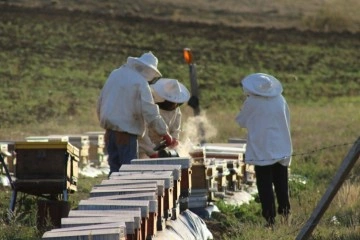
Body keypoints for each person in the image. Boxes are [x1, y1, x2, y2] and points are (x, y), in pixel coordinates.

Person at [97, 52, 173, 176]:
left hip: (110, 131)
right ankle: (123, 195)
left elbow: (100, 101)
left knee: (114, 171)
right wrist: (165, 133)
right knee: (127, 173)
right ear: (149, 70)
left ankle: (115, 194)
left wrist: (107, 126)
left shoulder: (115, 74)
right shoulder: (140, 83)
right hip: (126, 135)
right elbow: (150, 112)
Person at [235, 73, 292, 228]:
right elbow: (287, 118)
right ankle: (286, 216)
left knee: (265, 185)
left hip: (262, 150)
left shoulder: (251, 102)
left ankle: (270, 220)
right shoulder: (280, 99)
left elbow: (241, 121)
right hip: (281, 148)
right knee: (282, 184)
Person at [138, 78, 190, 158]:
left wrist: (174, 139)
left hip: (163, 149)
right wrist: (151, 151)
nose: (172, 104)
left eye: (174, 102)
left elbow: (175, 129)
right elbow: (143, 133)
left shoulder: (176, 110)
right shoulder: (149, 108)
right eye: (170, 101)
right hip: (144, 149)